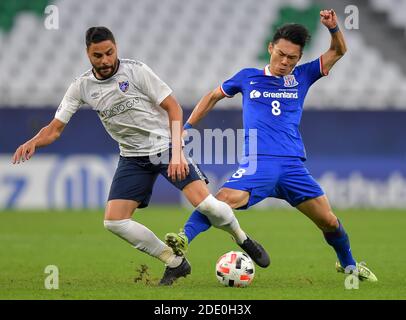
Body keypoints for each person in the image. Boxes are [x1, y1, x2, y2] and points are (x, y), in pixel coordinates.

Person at [12, 26, 269, 286]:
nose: (105, 61)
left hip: (165, 147)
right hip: (132, 157)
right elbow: (55, 129)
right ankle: (174, 262)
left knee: (206, 206)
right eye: (98, 56)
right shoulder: (81, 87)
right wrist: (34, 141)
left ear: (116, 49)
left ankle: (241, 238)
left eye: (109, 53)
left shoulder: (136, 71)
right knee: (115, 222)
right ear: (88, 54)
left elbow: (174, 108)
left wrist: (178, 152)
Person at [165, 10, 377, 282]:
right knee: (221, 200)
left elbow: (339, 51)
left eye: (292, 58)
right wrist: (186, 129)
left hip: (292, 167)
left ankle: (349, 267)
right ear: (271, 48)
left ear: (299, 58)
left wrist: (334, 27)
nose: (285, 62)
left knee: (329, 221)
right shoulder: (247, 77)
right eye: (281, 54)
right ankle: (183, 239)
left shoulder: (303, 75)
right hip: (259, 163)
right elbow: (212, 96)